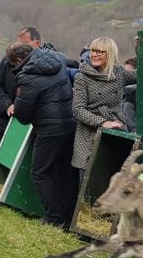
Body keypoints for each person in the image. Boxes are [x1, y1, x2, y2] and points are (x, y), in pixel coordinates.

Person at [7, 42, 78, 228]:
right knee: (65, 172)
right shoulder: (58, 59)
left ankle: (54, 217)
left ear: (18, 60)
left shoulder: (27, 76)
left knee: (40, 172)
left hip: (49, 129)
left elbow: (22, 115)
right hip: (70, 123)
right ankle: (69, 216)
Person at [71, 37, 136, 180]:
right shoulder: (82, 77)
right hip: (89, 136)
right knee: (87, 183)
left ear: (110, 54)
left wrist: (141, 49)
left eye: (100, 52)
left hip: (116, 133)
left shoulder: (119, 73)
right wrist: (103, 122)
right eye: (93, 51)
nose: (94, 55)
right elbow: (78, 109)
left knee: (114, 181)